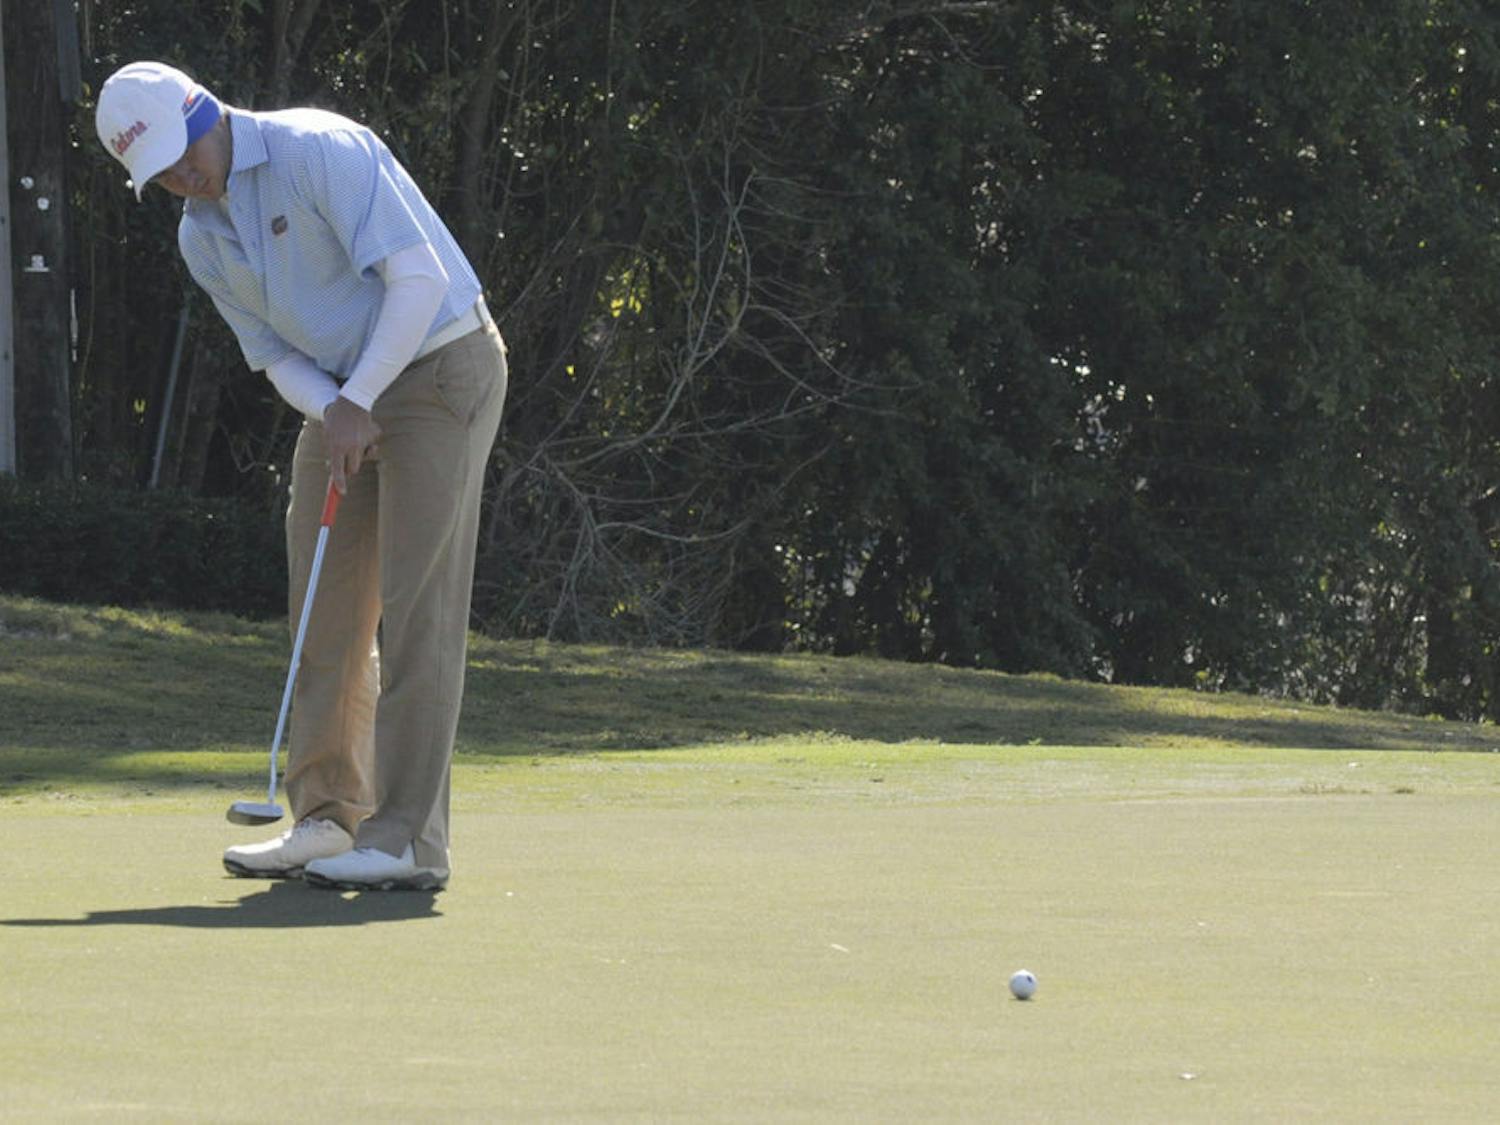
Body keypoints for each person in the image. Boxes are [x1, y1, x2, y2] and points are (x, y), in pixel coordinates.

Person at [95, 61, 507, 891]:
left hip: (439, 365)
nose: (182, 176)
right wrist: (339, 408)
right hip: (342, 395)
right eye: (161, 173)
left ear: (204, 110)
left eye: (183, 154)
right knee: (325, 610)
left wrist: (355, 399)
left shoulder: (318, 149)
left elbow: (419, 278)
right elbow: (275, 355)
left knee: (417, 608)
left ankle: (407, 842)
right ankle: (325, 818)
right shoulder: (198, 236)